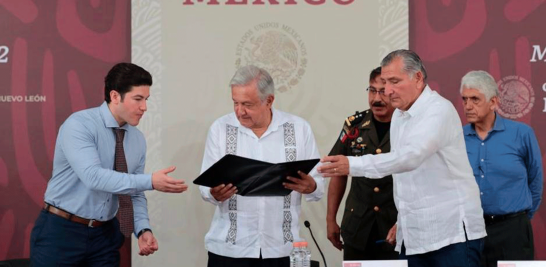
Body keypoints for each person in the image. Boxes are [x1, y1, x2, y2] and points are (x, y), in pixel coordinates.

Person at [318, 49, 486, 267]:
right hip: (414, 235)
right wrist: (402, 221)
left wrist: (353, 164)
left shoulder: (439, 110)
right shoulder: (399, 114)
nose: (387, 91)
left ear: (418, 78)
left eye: (394, 82)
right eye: (385, 82)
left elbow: (409, 158)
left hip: (450, 234)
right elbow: (404, 177)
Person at [30, 63, 188, 266]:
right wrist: (151, 181)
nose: (144, 107)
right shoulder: (79, 125)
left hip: (105, 236)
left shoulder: (137, 139)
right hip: (61, 231)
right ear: (115, 96)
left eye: (146, 99)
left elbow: (135, 192)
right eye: (138, 99)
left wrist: (142, 229)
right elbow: (93, 177)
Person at [199, 65, 324, 267]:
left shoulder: (299, 129)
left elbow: (318, 186)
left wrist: (311, 186)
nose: (240, 112)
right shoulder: (220, 129)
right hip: (230, 250)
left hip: (283, 249)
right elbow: (205, 186)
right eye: (235, 103)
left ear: (269, 100)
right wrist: (213, 193)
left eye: (247, 104)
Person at [459, 70, 543, 267]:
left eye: (475, 99)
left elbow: (536, 181)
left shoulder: (521, 134)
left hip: (512, 231)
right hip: (469, 230)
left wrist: (519, 218)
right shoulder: (456, 137)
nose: (468, 106)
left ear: (493, 102)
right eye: (464, 99)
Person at [326, 67, 398, 260]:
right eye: (372, 90)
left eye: (383, 92)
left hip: (394, 227)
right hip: (357, 227)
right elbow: (338, 172)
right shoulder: (354, 125)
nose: (376, 98)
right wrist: (330, 219)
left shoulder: (407, 126)